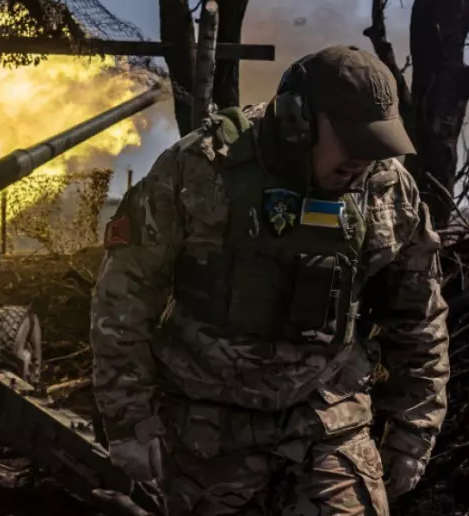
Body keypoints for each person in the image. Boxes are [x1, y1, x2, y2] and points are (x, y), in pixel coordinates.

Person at [91, 45, 449, 515]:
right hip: (207, 432)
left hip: (329, 419)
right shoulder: (200, 167)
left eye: (376, 143)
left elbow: (419, 318)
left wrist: (412, 431)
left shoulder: (388, 187)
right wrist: (130, 423)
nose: (363, 159)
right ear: (297, 117)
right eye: (351, 139)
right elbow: (124, 299)